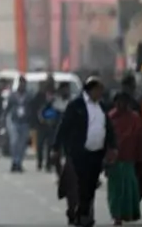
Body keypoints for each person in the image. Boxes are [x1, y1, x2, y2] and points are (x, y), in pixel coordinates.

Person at [52, 76, 117, 227]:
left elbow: (108, 128)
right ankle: (82, 215)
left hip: (97, 153)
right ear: (91, 90)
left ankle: (84, 212)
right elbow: (63, 127)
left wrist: (113, 146)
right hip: (79, 153)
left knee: (91, 185)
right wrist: (56, 147)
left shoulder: (101, 107)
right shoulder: (76, 106)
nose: (101, 93)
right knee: (80, 185)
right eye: (99, 90)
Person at [106, 93, 142, 225]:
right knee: (115, 190)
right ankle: (116, 215)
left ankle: (126, 213)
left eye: (123, 102)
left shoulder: (134, 118)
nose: (121, 105)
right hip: (114, 160)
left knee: (128, 189)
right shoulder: (110, 118)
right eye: (118, 102)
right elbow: (105, 138)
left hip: (129, 159)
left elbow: (140, 138)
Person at [3, 77, 30, 172]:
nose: (22, 85)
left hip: (25, 122)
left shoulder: (29, 95)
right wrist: (3, 119)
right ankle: (14, 161)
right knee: (14, 142)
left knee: (22, 144)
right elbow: (8, 108)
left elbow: (32, 108)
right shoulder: (13, 95)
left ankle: (19, 163)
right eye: (21, 83)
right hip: (14, 121)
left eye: (24, 84)